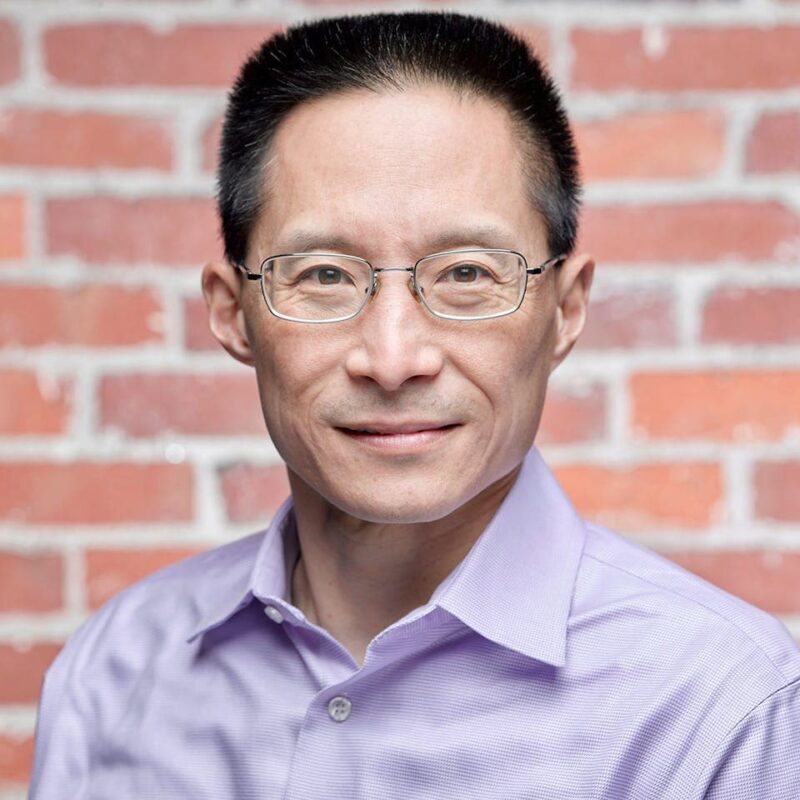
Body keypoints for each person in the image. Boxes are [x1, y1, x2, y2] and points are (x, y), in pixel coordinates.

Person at [30, 11, 799, 799]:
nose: (393, 360)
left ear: (566, 309)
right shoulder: (112, 678)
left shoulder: (722, 712)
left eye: (467, 274)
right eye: (323, 274)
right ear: (232, 313)